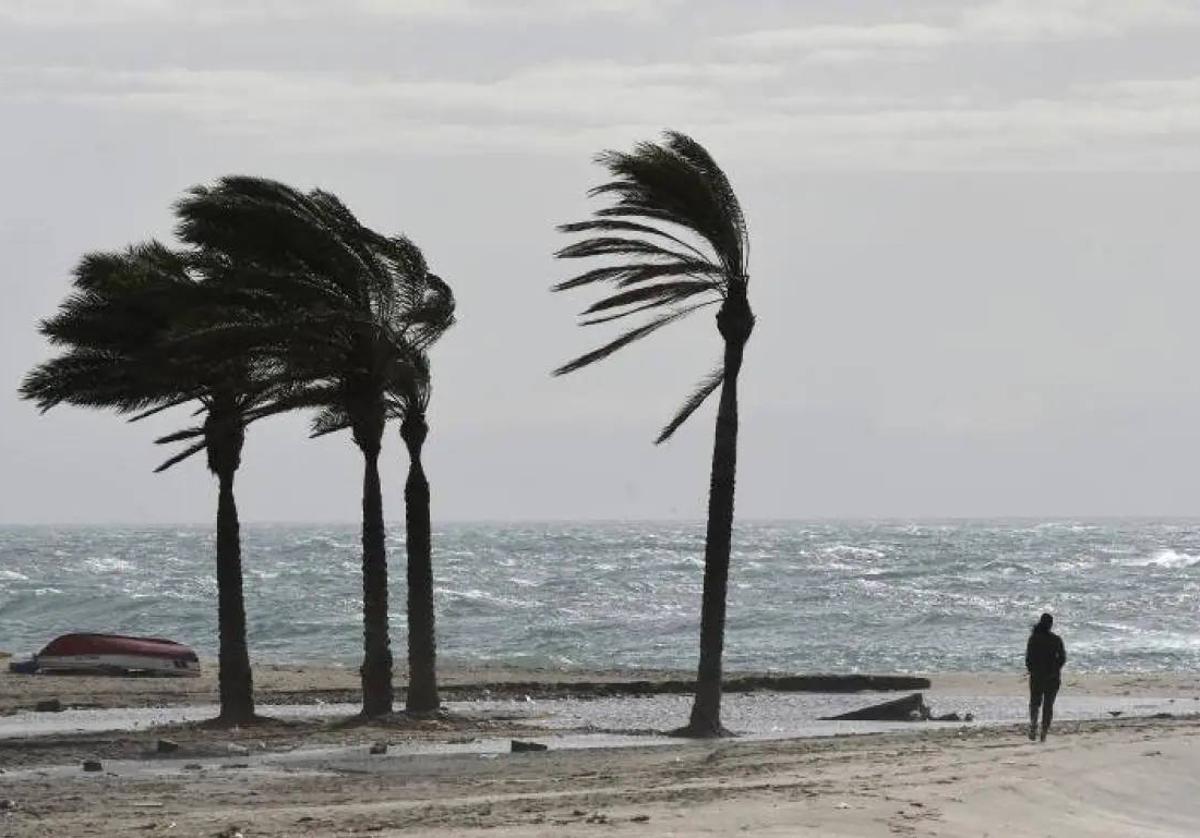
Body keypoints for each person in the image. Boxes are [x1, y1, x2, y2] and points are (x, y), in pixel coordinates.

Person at [1025, 612, 1066, 742]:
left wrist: (1032, 670)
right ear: (1051, 625)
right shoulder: (1056, 640)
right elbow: (1062, 658)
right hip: (1052, 677)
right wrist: (1055, 669)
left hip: (1037, 676)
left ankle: (1033, 725)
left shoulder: (1033, 638)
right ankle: (1043, 732)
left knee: (1035, 703)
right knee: (1048, 706)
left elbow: (1028, 658)